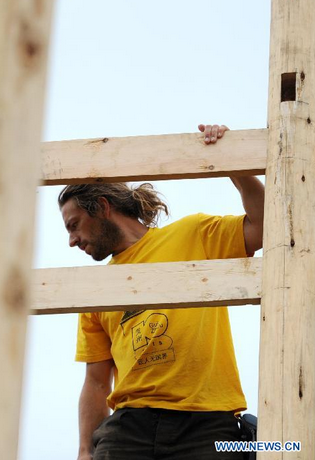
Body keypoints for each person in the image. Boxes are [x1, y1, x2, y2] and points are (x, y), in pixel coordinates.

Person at [60, 125, 264, 460]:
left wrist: (235, 163)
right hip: (128, 430)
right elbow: (97, 383)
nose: (71, 240)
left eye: (74, 225)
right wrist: (85, 451)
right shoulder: (96, 290)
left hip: (207, 424)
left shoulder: (192, 234)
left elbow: (266, 224)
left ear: (101, 207)